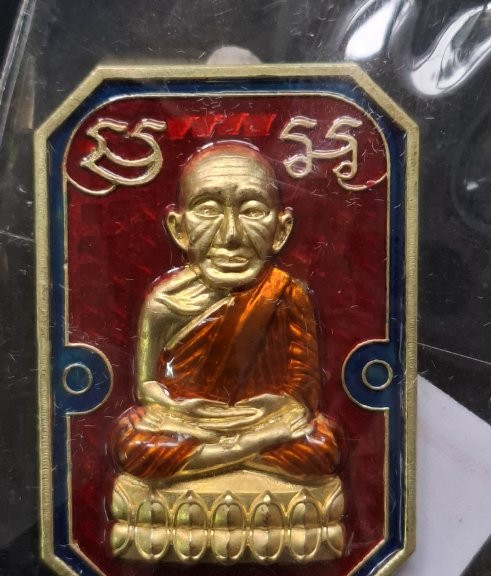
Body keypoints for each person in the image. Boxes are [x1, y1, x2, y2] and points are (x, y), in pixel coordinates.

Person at [109, 142, 342, 482]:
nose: (230, 235)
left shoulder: (286, 293)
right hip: (190, 424)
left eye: (252, 210)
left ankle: (216, 458)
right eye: (207, 209)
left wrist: (276, 407)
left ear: (281, 230)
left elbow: (303, 389)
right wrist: (178, 409)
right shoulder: (164, 301)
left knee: (323, 444)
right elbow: (146, 386)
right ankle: (247, 451)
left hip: (262, 422)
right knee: (131, 443)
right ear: (179, 228)